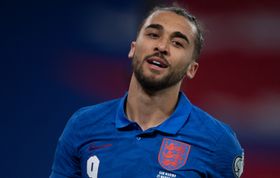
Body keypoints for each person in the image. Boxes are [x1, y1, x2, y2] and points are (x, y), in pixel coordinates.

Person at [50, 6, 244, 178]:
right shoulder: (83, 125)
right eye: (153, 35)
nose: (161, 47)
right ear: (133, 48)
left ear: (191, 69)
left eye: (177, 43)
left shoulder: (218, 143)